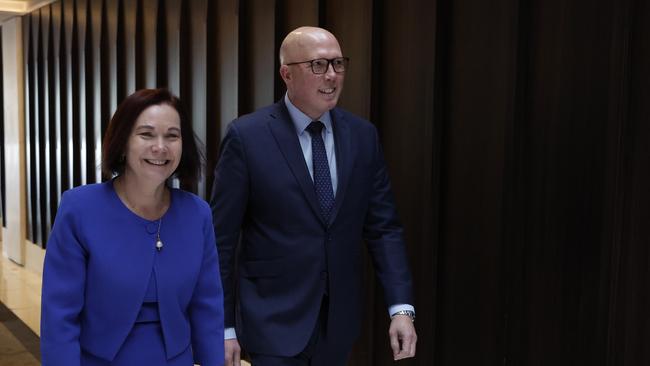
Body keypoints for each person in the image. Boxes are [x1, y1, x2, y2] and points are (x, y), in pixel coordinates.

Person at [210, 26, 417, 365]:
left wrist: (401, 308)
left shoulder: (363, 137)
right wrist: (223, 327)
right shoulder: (247, 137)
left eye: (338, 64)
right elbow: (221, 240)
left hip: (338, 324)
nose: (332, 75)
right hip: (270, 321)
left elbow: (384, 228)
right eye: (318, 65)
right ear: (286, 74)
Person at [41, 88, 225, 366]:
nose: (160, 147)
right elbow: (59, 317)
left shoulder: (197, 213)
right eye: (146, 134)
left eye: (172, 136)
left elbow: (207, 308)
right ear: (123, 141)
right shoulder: (80, 208)